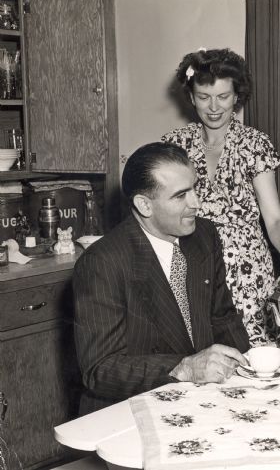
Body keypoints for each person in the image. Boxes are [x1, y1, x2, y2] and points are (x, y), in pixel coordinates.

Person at [73, 142, 250, 414]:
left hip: (199, 400)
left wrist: (250, 370)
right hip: (130, 408)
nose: (197, 203)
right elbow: (100, 370)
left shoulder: (204, 235)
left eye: (195, 188)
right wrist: (185, 367)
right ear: (144, 205)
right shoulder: (102, 262)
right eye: (181, 196)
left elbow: (222, 317)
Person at [162, 48, 280, 344]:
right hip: (190, 268)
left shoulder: (254, 144)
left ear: (237, 97)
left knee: (250, 359)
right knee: (197, 357)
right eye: (204, 97)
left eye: (223, 96)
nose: (214, 107)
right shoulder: (175, 146)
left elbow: (274, 218)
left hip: (247, 275)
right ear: (192, 98)